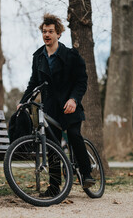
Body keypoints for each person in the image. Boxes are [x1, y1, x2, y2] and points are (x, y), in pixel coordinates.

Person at [17, 13, 96, 197]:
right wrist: (23, 102)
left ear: (59, 34)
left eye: (51, 31)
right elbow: (33, 82)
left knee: (75, 135)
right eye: (44, 31)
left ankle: (86, 174)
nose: (47, 34)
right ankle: (54, 187)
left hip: (70, 106)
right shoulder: (38, 57)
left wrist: (74, 99)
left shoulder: (71, 55)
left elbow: (81, 80)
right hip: (51, 109)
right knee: (52, 145)